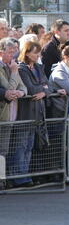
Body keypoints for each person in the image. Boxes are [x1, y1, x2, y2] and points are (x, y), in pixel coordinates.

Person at [9, 41, 50, 187]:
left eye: (38, 52)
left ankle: (24, 175)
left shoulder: (39, 67)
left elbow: (48, 85)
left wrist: (44, 92)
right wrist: (42, 89)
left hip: (38, 112)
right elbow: (31, 89)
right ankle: (18, 177)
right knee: (20, 145)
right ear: (26, 53)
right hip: (25, 112)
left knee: (29, 145)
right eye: (34, 52)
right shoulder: (22, 68)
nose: (38, 55)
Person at [0, 38, 27, 189]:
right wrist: (15, 72)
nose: (13, 56)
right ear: (1, 52)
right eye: (10, 52)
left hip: (10, 115)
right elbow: (8, 87)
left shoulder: (12, 67)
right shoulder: (9, 68)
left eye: (14, 52)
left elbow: (24, 88)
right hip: (2, 114)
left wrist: (21, 93)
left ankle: (2, 180)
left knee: (4, 149)